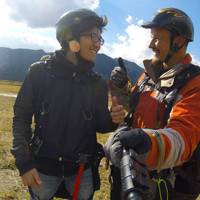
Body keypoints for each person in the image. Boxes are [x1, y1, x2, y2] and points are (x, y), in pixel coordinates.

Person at [11, 8, 125, 200]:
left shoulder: (96, 82)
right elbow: (21, 119)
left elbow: (98, 123)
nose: (98, 45)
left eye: (100, 39)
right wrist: (24, 163)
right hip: (43, 167)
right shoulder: (39, 73)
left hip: (82, 169)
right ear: (70, 37)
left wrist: (112, 120)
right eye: (93, 37)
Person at [104, 7, 200, 200]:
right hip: (129, 170)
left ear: (179, 42)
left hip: (162, 184)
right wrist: (121, 88)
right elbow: (133, 106)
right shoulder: (150, 74)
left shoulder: (194, 83)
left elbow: (183, 137)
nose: (151, 45)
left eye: (157, 38)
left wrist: (147, 144)